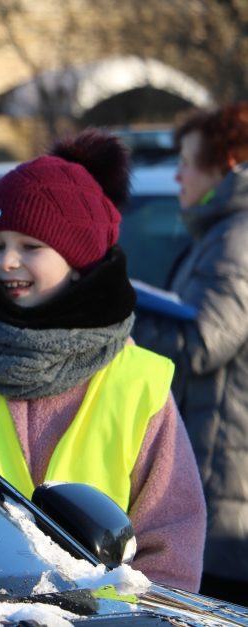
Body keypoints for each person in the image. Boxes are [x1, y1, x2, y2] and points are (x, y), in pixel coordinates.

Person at [0, 130, 206, 591]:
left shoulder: (139, 381)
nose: (6, 262)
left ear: (78, 259)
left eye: (30, 247)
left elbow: (172, 536)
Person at [132, 103, 248, 604]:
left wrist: (124, 313)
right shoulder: (226, 232)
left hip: (228, 470)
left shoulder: (238, 235)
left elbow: (205, 341)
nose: (178, 174)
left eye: (187, 161)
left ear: (225, 165)